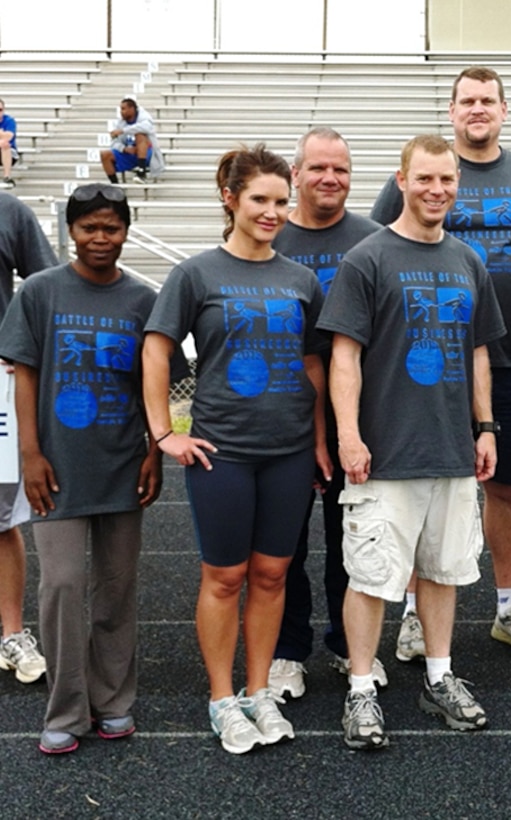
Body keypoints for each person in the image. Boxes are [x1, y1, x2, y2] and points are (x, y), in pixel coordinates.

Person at [371, 66, 511, 663]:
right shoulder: (421, 173)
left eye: (487, 100)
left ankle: (509, 607)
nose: (477, 109)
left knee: (505, 488)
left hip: (509, 361)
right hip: (421, 369)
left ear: (504, 110)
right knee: (417, 490)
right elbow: (383, 249)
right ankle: (412, 613)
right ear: (452, 110)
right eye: (467, 100)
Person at [142, 145, 328, 755]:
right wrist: (165, 432)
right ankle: (222, 699)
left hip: (290, 450)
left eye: (281, 201)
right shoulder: (196, 273)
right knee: (225, 577)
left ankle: (258, 692)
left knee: (273, 573)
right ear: (231, 198)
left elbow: (312, 363)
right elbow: (156, 349)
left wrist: (321, 439)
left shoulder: (300, 280)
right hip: (222, 450)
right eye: (260, 200)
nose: (273, 212)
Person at [324, 134, 505, 750]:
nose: (436, 191)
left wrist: (485, 428)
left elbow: (478, 353)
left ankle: (438, 675)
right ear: (401, 180)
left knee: (443, 570)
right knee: (373, 575)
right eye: (424, 179)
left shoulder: (467, 261)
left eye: (447, 180)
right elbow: (344, 357)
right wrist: (348, 434)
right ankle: (360, 688)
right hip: (386, 451)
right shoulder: (367, 259)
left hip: (451, 448)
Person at [0, 184, 171, 754]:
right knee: (63, 586)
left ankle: (114, 699)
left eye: (112, 228)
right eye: (89, 228)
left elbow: (155, 386)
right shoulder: (41, 293)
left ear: (126, 231)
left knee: (117, 588)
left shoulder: (144, 301)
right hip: (58, 469)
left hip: (123, 463)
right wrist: (30, 454)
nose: (101, 239)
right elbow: (24, 374)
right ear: (70, 232)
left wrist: (153, 449)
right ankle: (67, 708)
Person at [266, 127, 383, 699]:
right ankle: (287, 650)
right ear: (295, 174)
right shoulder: (270, 236)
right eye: (317, 168)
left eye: (340, 169)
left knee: (353, 537)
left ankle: (346, 642)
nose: (329, 179)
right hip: (283, 413)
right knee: (284, 543)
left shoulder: (373, 239)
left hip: (355, 416)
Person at [0, 192, 57, 688]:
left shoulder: (9, 211)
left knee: (1, 520)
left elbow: (47, 283)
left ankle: (11, 633)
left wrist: (17, 347)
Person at [100, 97, 165, 185]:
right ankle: (115, 185)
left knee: (140, 135)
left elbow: (147, 127)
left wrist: (123, 131)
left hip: (147, 154)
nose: (121, 112)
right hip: (130, 154)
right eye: (120, 109)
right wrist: (124, 149)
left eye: (123, 109)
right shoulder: (120, 123)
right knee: (104, 154)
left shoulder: (144, 117)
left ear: (132, 109)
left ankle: (141, 172)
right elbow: (114, 143)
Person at [0, 99, 19, 188]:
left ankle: (7, 176)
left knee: (5, 144)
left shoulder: (9, 121)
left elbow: (8, 137)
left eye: (0, 110)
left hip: (10, 153)